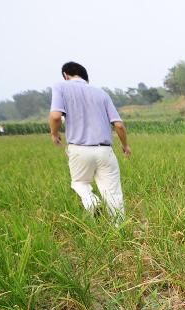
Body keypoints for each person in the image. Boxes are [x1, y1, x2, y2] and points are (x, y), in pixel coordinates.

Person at [48, 61, 131, 223]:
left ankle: (92, 202)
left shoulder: (60, 87)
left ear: (66, 75)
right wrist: (125, 145)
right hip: (105, 150)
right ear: (86, 78)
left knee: (80, 182)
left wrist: (54, 133)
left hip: (79, 149)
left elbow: (56, 116)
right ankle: (119, 229)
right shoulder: (101, 93)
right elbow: (119, 125)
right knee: (113, 193)